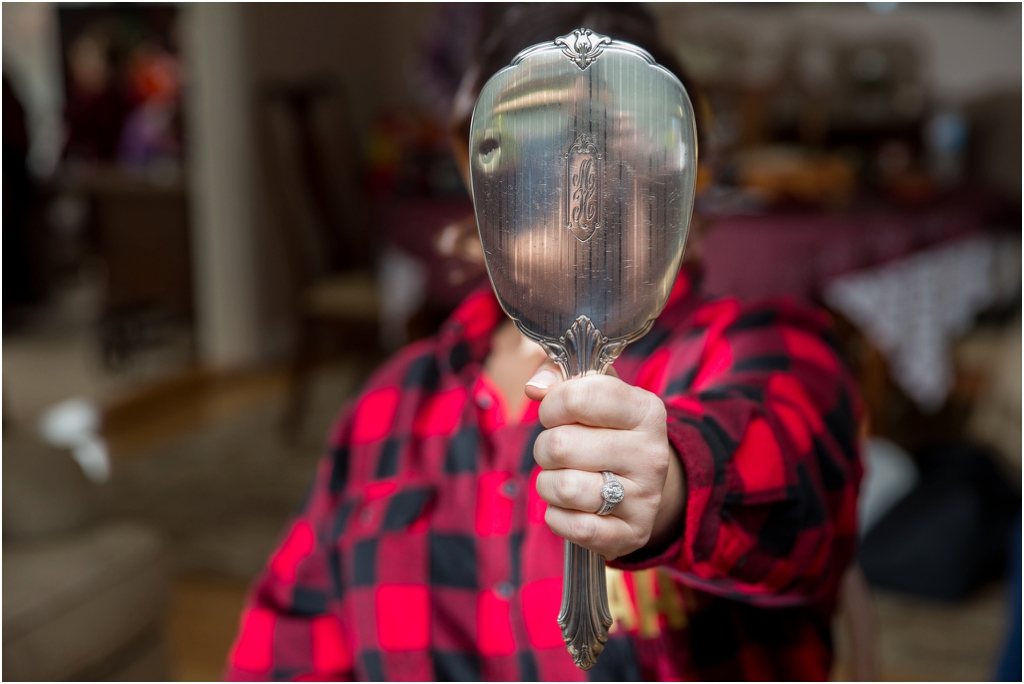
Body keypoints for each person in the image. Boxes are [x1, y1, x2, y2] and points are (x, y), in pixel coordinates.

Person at [226, 5, 863, 681]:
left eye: (622, 139)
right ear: (470, 162)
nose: (580, 177)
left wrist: (671, 486)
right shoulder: (387, 407)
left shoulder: (762, 348)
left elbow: (800, 488)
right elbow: (287, 648)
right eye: (532, 134)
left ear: (686, 177)